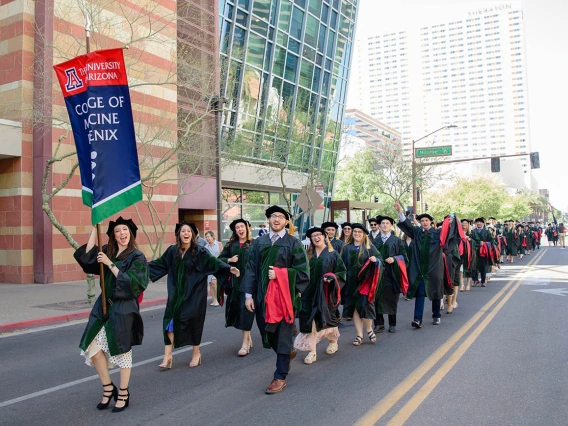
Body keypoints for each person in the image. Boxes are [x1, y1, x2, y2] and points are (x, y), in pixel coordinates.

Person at [73, 218, 148, 412]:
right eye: (117, 231)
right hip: (103, 306)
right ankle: (108, 388)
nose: (122, 233)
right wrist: (94, 226)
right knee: (93, 348)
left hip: (124, 308)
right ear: (113, 235)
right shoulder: (108, 251)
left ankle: (123, 392)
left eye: (125, 230)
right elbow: (88, 257)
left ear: (131, 233)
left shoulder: (137, 257)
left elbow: (134, 283)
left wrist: (111, 265)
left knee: (123, 351)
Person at [149, 222, 239, 369]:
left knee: (193, 322)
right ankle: (167, 356)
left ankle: (196, 353)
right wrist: (137, 269)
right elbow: (158, 264)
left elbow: (214, 263)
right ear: (178, 234)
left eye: (189, 231)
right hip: (176, 295)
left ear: (193, 234)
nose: (186, 233)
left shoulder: (200, 252)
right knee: (169, 323)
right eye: (183, 231)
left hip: (195, 295)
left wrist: (229, 269)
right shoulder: (172, 251)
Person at [242, 205, 309, 395]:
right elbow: (250, 269)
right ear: (269, 220)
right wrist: (248, 295)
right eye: (273, 216)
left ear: (287, 221)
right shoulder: (259, 242)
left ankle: (280, 376)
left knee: (282, 335)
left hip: (284, 299)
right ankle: (287, 352)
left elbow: (303, 271)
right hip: (262, 298)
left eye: (281, 216)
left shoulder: (293, 243)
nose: (277, 219)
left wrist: (280, 274)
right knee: (267, 332)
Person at [394, 201, 460, 327]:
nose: (424, 222)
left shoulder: (438, 233)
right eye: (422, 220)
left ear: (431, 222)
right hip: (420, 269)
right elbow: (407, 226)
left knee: (435, 292)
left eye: (426, 220)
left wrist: (451, 222)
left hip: (434, 268)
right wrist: (400, 212)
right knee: (420, 293)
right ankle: (417, 319)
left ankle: (436, 315)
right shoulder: (417, 232)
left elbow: (450, 234)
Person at [294, 227, 346, 364]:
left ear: (324, 236)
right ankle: (312, 351)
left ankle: (333, 341)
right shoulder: (308, 255)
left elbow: (342, 272)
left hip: (326, 293)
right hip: (308, 292)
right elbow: (301, 272)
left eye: (319, 235)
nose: (316, 237)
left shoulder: (333, 254)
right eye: (313, 236)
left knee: (327, 318)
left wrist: (332, 278)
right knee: (310, 320)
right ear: (311, 239)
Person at [218, 219, 255, 356]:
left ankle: (245, 344)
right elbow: (219, 260)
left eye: (242, 226)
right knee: (240, 311)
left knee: (246, 311)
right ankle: (248, 338)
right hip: (235, 285)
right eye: (237, 227)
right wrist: (229, 260)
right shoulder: (231, 245)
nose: (240, 229)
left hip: (250, 284)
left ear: (247, 228)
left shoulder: (254, 244)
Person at [341, 223, 381, 345]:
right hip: (351, 283)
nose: (357, 234)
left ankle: (369, 329)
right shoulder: (347, 248)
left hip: (365, 284)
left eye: (359, 232)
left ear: (363, 234)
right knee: (355, 309)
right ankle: (359, 334)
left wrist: (376, 260)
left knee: (365, 306)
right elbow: (341, 265)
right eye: (355, 232)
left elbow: (380, 260)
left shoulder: (370, 248)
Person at [373, 216, 408, 333]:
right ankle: (379, 323)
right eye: (382, 223)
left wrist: (394, 259)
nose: (384, 225)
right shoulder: (375, 240)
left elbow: (404, 258)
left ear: (391, 225)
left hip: (392, 274)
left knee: (391, 299)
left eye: (387, 223)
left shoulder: (396, 240)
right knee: (377, 298)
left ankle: (392, 323)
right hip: (378, 275)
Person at [471, 218, 493, 287]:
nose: (479, 223)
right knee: (474, 266)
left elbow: (491, 241)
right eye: (477, 222)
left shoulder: (486, 232)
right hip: (474, 250)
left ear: (483, 223)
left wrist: (485, 243)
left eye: (480, 222)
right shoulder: (473, 231)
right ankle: (475, 280)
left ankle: (483, 281)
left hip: (483, 251)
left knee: (483, 266)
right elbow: (471, 241)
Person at [204, 230, 223, 306]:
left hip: (217, 266)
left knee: (214, 282)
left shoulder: (219, 244)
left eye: (208, 237)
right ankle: (214, 299)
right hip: (210, 267)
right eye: (206, 237)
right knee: (210, 283)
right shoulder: (205, 247)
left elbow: (222, 254)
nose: (207, 238)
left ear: (212, 236)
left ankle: (217, 299)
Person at [460, 219, 473, 292]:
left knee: (469, 269)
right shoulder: (459, 233)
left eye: (466, 223)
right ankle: (462, 284)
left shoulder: (472, 233)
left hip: (469, 253)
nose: (464, 224)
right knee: (461, 269)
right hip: (461, 253)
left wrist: (470, 240)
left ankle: (468, 284)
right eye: (463, 223)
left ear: (468, 225)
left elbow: (476, 241)